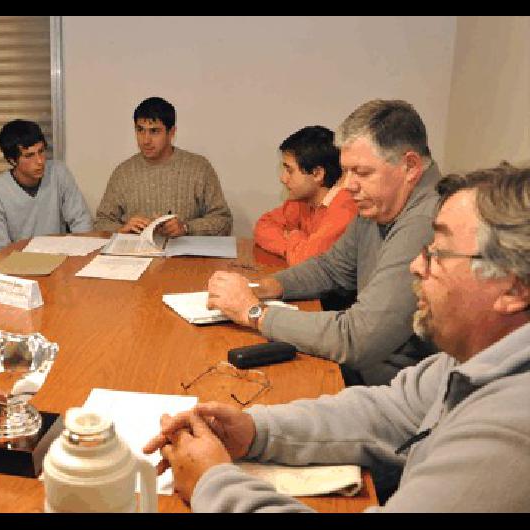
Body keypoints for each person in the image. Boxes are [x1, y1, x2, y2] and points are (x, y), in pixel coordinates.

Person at [144, 163, 530, 512]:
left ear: (512, 289)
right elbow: (390, 411)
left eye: (439, 253)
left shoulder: (512, 429)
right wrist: (254, 431)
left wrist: (214, 485)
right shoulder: (477, 355)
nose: (416, 264)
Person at [208, 100, 439, 386]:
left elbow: (358, 338)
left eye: (363, 173)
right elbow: (331, 268)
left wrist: (254, 312)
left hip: (391, 390)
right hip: (366, 373)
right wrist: (265, 287)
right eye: (346, 172)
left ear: (410, 167)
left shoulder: (427, 220)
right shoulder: (379, 202)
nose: (348, 186)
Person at [94, 96, 232, 237]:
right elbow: (101, 222)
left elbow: (224, 221)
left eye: (154, 131)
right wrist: (122, 229)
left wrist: (186, 228)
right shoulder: (123, 173)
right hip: (137, 255)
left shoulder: (199, 168)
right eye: (140, 130)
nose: (145, 140)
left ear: (171, 132)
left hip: (186, 256)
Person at [0, 119, 92, 255]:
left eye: (41, 152)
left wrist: (82, 253)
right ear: (12, 160)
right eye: (29, 156)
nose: (39, 161)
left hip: (60, 258)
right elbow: (0, 249)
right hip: (18, 264)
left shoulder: (59, 172)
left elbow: (81, 222)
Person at [254, 125, 357, 266]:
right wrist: (294, 246)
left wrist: (293, 234)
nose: (283, 178)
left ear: (317, 174)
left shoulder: (344, 208)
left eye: (290, 170)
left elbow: (304, 261)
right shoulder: (301, 201)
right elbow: (263, 226)